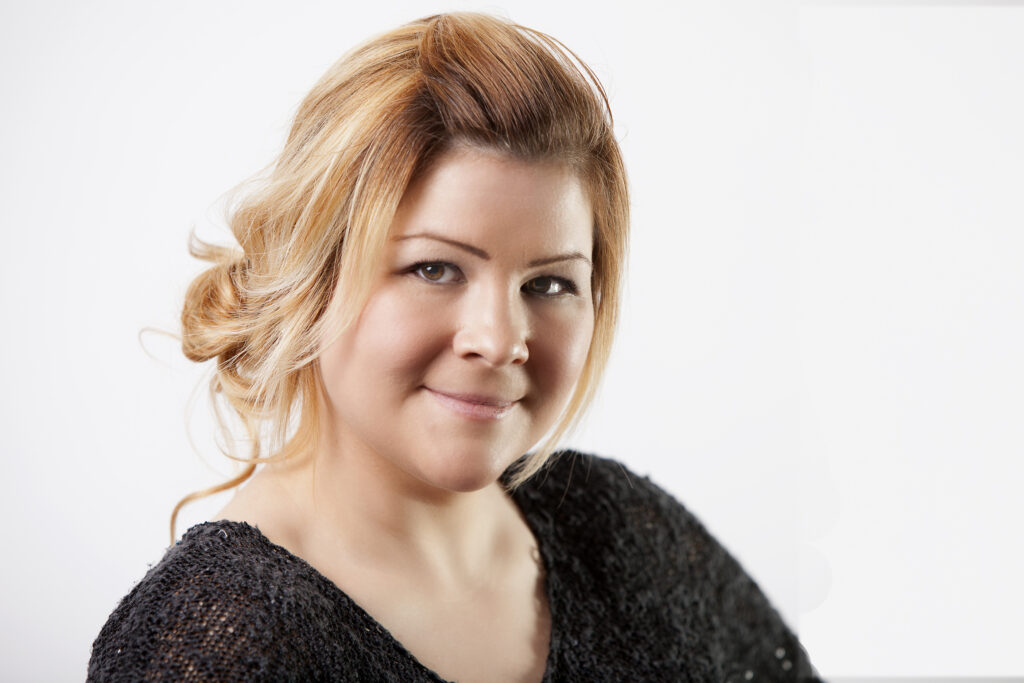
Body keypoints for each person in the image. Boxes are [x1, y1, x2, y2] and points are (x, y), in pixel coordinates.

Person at [88, 12, 820, 682]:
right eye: (434, 269)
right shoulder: (207, 643)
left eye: (550, 284)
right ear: (313, 276)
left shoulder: (617, 528)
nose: (500, 340)